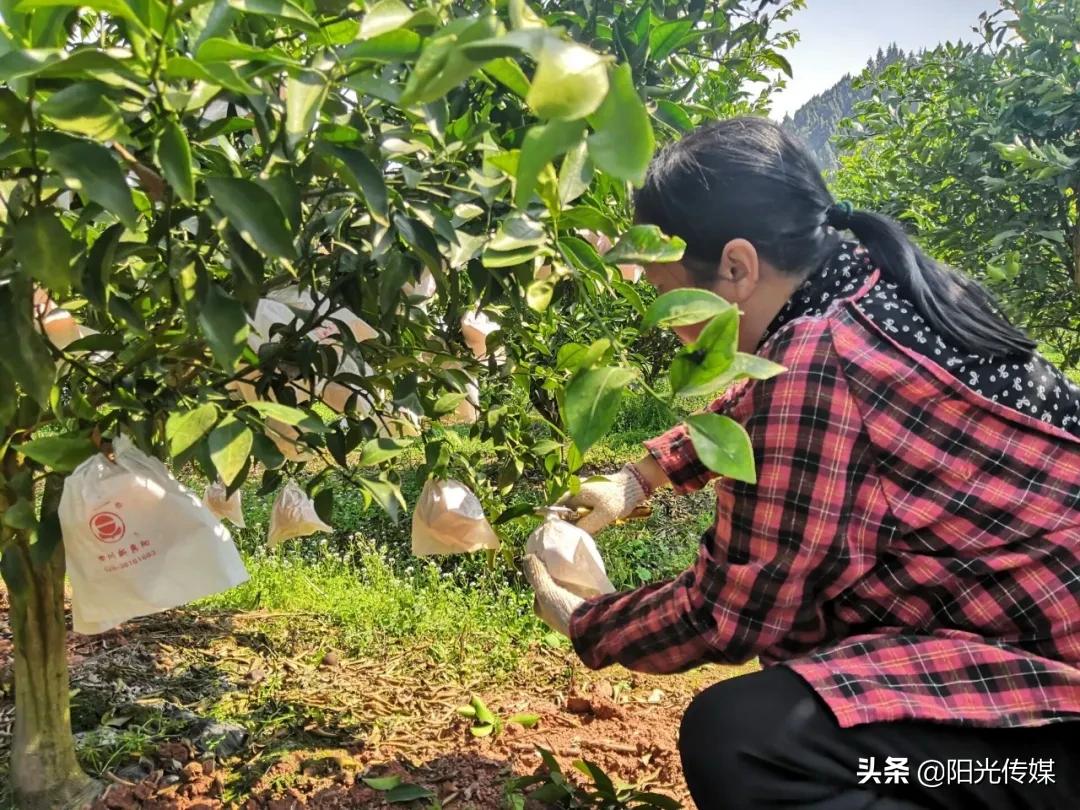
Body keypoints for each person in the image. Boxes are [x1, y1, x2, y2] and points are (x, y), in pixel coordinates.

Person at [523, 117, 1080, 810]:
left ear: (736, 268)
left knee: (744, 741)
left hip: (1051, 724)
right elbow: (770, 406)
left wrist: (586, 619)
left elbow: (733, 609)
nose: (674, 327)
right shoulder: (870, 285)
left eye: (674, 300)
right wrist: (641, 476)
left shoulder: (823, 359)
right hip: (1034, 651)